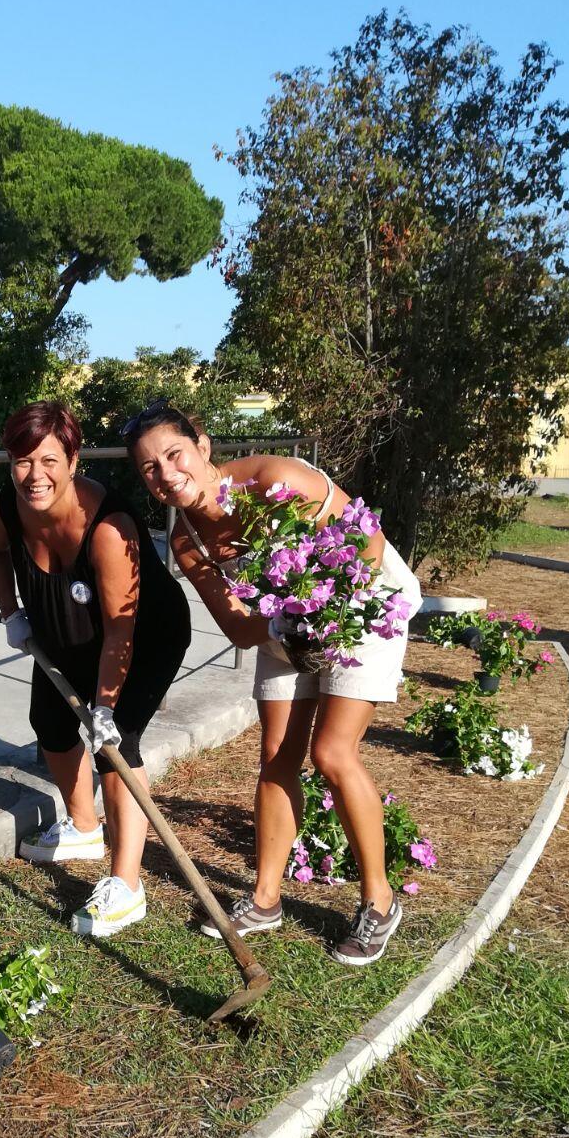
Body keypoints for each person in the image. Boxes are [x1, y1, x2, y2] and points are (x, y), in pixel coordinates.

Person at [123, 403, 421, 965]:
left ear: (203, 448)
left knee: (332, 752)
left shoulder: (273, 481)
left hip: (363, 605)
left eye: (173, 454)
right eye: (148, 469)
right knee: (277, 755)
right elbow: (238, 626)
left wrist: (322, 613)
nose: (165, 474)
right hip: (285, 622)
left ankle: (380, 901)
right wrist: (286, 623)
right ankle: (265, 899)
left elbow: (368, 543)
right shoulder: (189, 541)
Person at [0, 401, 191, 936]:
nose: (35, 475)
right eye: (22, 462)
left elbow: (120, 631)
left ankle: (127, 884)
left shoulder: (106, 526)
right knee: (49, 723)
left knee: (117, 748)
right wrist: (12, 613)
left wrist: (104, 706)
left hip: (144, 633)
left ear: (73, 460)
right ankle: (83, 826)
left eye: (49, 460)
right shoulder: (5, 509)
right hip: (64, 625)